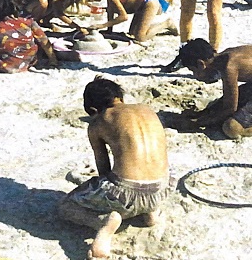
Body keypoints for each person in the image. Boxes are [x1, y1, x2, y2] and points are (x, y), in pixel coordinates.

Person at [58, 77, 169, 259]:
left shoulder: (99, 121)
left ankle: (101, 222)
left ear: (93, 110)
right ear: (120, 98)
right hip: (161, 188)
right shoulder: (147, 110)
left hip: (126, 192)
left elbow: (104, 170)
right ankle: (150, 214)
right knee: (145, 178)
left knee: (65, 207)